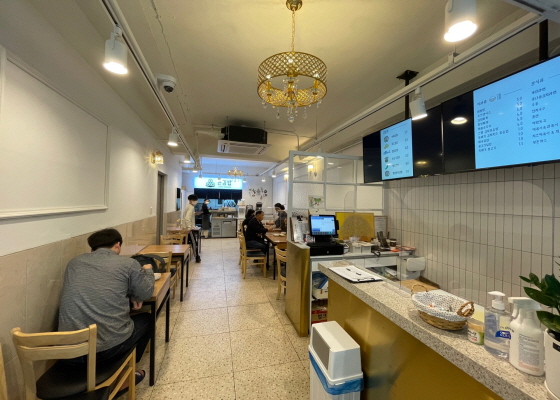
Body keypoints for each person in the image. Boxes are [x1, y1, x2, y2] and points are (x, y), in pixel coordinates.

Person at [58, 228, 154, 396]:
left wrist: (130, 294)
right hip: (104, 350)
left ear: (92, 249)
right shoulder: (127, 264)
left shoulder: (74, 263)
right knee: (147, 319)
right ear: (118, 245)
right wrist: (148, 270)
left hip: (68, 352)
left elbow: (97, 288)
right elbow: (146, 293)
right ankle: (126, 374)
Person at [183, 194, 201, 262]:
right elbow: (187, 218)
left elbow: (188, 216)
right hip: (189, 229)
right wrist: (189, 228)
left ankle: (185, 257)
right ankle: (197, 257)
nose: (196, 201)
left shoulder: (188, 206)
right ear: (190, 200)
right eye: (195, 200)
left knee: (186, 242)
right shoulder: (191, 207)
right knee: (194, 242)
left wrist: (194, 213)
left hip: (187, 227)